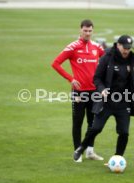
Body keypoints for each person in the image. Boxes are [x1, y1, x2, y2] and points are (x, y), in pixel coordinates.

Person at [73, 35, 134, 162]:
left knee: (124, 132)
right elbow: (97, 78)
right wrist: (102, 89)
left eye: (128, 48)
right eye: (124, 47)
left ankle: (118, 158)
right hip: (107, 100)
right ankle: (81, 148)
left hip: (124, 102)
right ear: (118, 45)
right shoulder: (107, 57)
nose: (126, 50)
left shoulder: (133, 59)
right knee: (96, 128)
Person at [52, 19, 104, 162]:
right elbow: (55, 63)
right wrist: (70, 79)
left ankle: (90, 151)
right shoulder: (72, 47)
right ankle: (77, 153)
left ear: (93, 31)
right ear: (80, 30)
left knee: (93, 123)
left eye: (90, 31)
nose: (87, 33)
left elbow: (107, 60)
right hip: (79, 92)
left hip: (95, 91)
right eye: (85, 30)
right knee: (78, 122)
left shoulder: (96, 47)